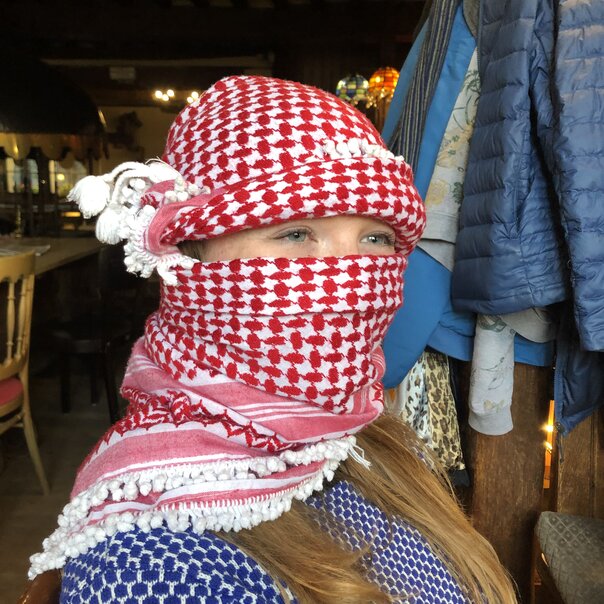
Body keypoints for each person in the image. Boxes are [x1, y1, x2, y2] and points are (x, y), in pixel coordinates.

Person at [30, 76, 516, 603]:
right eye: (296, 232)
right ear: (190, 255)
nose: (349, 281)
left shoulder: (368, 432)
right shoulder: (151, 564)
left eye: (375, 237)